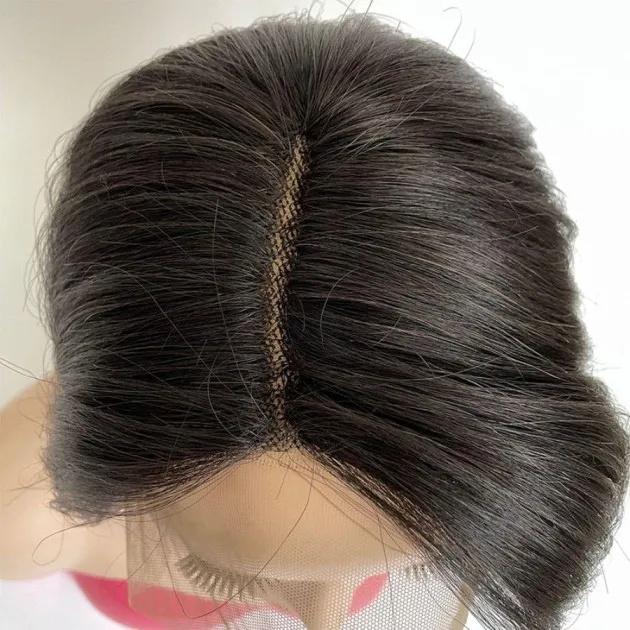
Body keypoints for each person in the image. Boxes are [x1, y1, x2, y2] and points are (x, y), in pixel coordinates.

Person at [1, 11, 628, 630]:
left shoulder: (484, 459)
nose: (327, 625)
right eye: (218, 575)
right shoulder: (22, 519)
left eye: (419, 565)